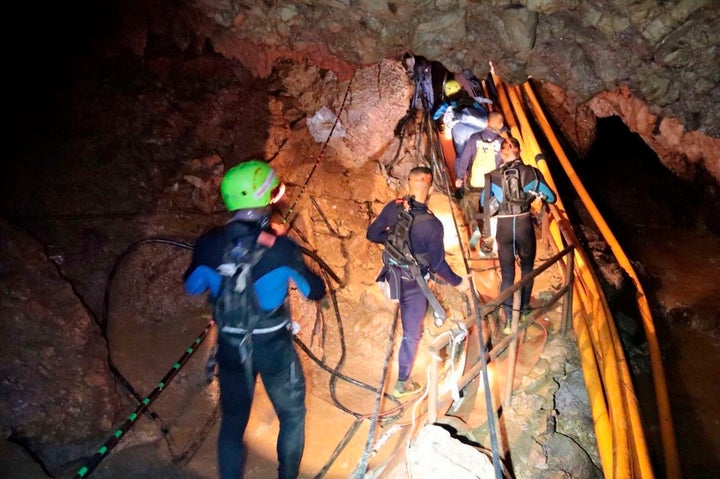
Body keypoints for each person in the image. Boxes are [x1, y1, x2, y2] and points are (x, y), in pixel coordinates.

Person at [184, 160, 326, 479]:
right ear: (265, 197)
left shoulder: (208, 243)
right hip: (274, 345)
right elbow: (313, 291)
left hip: (232, 345)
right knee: (291, 415)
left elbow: (192, 287)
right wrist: (288, 253)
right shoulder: (281, 248)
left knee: (233, 422)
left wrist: (216, 268)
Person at [366, 166, 470, 397]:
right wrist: (459, 282)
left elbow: (372, 235)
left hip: (390, 277)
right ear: (431, 188)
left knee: (407, 313)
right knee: (411, 334)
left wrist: (392, 242)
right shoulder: (432, 225)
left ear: (408, 184)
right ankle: (402, 383)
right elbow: (438, 265)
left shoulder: (393, 207)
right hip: (414, 286)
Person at [480, 138, 556, 332]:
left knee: (507, 274)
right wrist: (535, 194)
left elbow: (484, 202)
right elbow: (551, 197)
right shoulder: (531, 172)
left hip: (503, 228)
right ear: (519, 151)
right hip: (523, 225)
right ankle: (522, 311)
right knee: (527, 269)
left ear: (502, 153)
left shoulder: (491, 176)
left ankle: (507, 321)